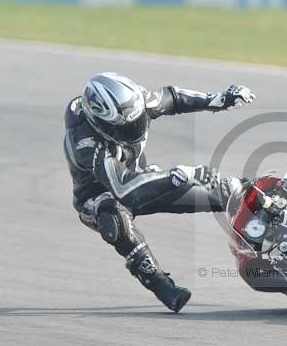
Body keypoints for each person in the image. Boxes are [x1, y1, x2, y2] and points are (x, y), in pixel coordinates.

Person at [63, 72, 255, 313]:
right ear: (100, 123)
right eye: (127, 126)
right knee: (112, 215)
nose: (135, 128)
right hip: (101, 197)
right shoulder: (86, 143)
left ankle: (273, 214)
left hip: (142, 177)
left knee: (221, 191)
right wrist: (179, 176)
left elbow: (172, 98)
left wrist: (219, 99)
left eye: (137, 120)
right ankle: (160, 284)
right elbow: (124, 190)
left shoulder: (137, 102)